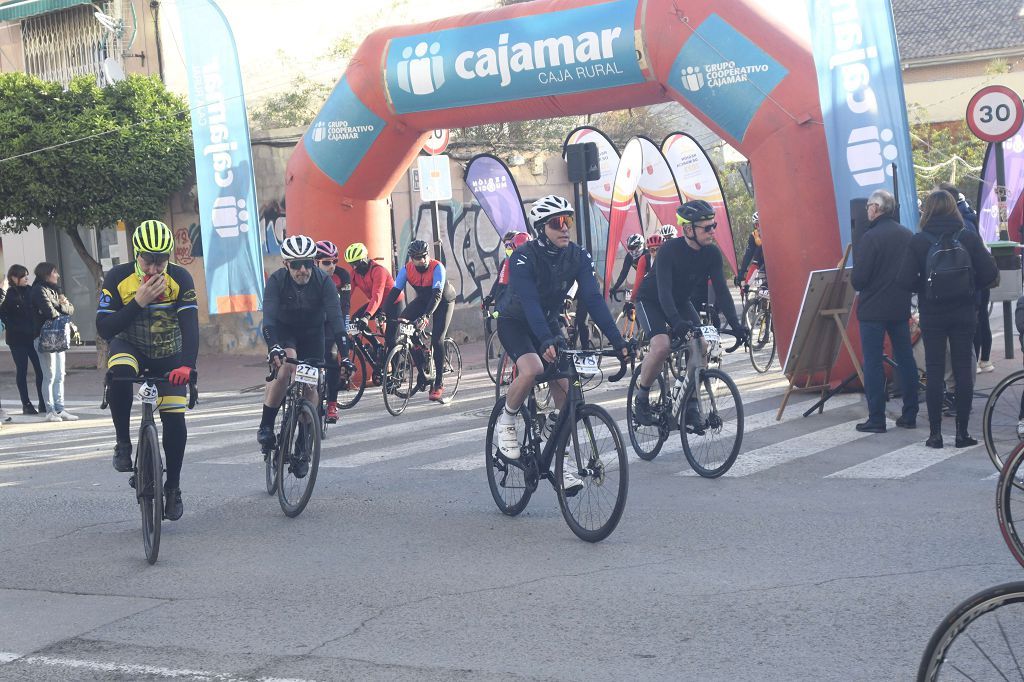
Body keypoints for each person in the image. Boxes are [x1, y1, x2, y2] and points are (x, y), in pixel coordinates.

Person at [494, 195, 632, 491]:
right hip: (516, 321)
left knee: (567, 393)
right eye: (557, 223)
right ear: (541, 229)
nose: (565, 228)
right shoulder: (522, 257)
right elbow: (529, 303)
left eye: (567, 221)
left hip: (547, 320)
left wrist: (618, 340)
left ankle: (561, 463)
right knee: (531, 369)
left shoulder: (577, 256)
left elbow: (594, 300)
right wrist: (544, 339)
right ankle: (506, 421)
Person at [96, 220, 199, 520]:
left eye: (161, 260)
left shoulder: (180, 278)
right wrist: (138, 302)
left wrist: (187, 365)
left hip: (169, 352)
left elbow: (190, 328)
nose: (154, 268)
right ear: (136, 254)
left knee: (174, 418)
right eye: (147, 260)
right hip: (131, 347)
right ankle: (123, 443)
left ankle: (174, 487)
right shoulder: (118, 278)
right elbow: (104, 329)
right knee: (118, 372)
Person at [632, 200, 749, 426]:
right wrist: (676, 322)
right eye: (707, 228)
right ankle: (642, 399)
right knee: (662, 345)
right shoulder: (669, 251)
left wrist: (736, 325)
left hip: (680, 301)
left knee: (701, 345)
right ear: (688, 229)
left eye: (713, 226)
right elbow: (663, 292)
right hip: (651, 300)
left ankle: (692, 405)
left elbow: (723, 293)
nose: (712, 231)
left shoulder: (712, 254)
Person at [898, 190, 998, 448]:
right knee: (963, 370)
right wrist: (968, 285)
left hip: (933, 313)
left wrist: (926, 286)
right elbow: (990, 275)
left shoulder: (919, 241)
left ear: (928, 210)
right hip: (964, 313)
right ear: (954, 208)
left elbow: (905, 281)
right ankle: (962, 433)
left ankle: (935, 434)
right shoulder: (968, 237)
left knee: (934, 371)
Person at [257, 235, 347, 463]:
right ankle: (266, 426)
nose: (303, 270)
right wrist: (274, 346)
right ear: (286, 264)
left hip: (312, 334)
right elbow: (268, 320)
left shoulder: (323, 282)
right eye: (296, 265)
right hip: (284, 332)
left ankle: (304, 440)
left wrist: (345, 356)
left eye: (308, 263)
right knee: (286, 368)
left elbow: (337, 320)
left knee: (310, 384)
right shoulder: (277, 281)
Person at [851, 189, 919, 433]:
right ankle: (910, 414)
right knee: (905, 358)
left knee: (873, 362)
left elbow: (859, 279)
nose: (867, 209)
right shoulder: (907, 235)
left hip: (873, 310)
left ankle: (877, 418)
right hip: (899, 306)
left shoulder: (870, 238)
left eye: (869, 205)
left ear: (877, 209)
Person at [381, 239, 457, 402]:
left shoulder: (437, 267)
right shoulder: (406, 270)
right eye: (417, 257)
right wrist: (383, 312)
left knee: (437, 340)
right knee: (403, 322)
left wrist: (426, 316)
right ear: (411, 258)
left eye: (424, 256)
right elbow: (394, 292)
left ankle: (438, 383)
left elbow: (437, 294)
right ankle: (422, 364)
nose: (422, 260)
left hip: (443, 301)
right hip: (423, 299)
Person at [938, 182, 993, 374]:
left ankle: (977, 362)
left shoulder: (962, 226)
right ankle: (981, 361)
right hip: (973, 287)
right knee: (980, 321)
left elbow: (985, 267)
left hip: (967, 290)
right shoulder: (968, 220)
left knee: (975, 326)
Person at [30, 262, 77, 423]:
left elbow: (71, 309)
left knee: (60, 375)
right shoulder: (38, 290)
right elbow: (50, 312)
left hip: (58, 337)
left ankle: (60, 408)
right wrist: (61, 304)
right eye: (54, 272)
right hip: (44, 337)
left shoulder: (55, 290)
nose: (57, 275)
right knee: (49, 375)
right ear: (46, 274)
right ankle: (49, 411)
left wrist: (60, 305)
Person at [0, 264, 45, 415]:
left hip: (33, 338)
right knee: (22, 371)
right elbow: (3, 315)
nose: (26, 278)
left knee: (40, 370)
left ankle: (43, 402)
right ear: (14, 278)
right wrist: (13, 327)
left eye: (27, 275)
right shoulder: (10, 295)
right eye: (23, 275)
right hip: (17, 341)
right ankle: (26, 404)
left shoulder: (31, 290)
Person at [316, 240, 351, 423]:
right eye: (326, 262)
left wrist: (343, 331)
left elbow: (345, 306)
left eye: (334, 261)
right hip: (314, 322)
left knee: (332, 356)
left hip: (333, 321)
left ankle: (331, 404)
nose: (332, 266)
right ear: (316, 262)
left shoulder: (342, 275)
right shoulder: (310, 276)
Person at [345, 242, 403, 336]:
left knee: (390, 340)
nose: (354, 267)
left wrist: (366, 316)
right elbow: (347, 294)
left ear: (364, 259)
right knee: (355, 320)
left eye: (356, 263)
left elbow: (377, 295)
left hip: (394, 303)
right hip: (378, 304)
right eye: (351, 264)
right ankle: (376, 346)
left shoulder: (378, 271)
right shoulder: (355, 273)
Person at [623, 234, 662, 320]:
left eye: (658, 249)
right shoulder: (644, 259)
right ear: (648, 250)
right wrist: (631, 300)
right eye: (652, 250)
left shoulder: (668, 257)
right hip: (648, 295)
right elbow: (638, 282)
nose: (655, 253)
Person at [735, 211, 765, 288]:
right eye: (757, 224)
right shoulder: (754, 236)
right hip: (761, 264)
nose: (759, 227)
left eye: (762, 224)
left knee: (761, 247)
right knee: (759, 249)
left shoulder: (771, 233)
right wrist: (741, 273)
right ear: (754, 226)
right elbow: (748, 255)